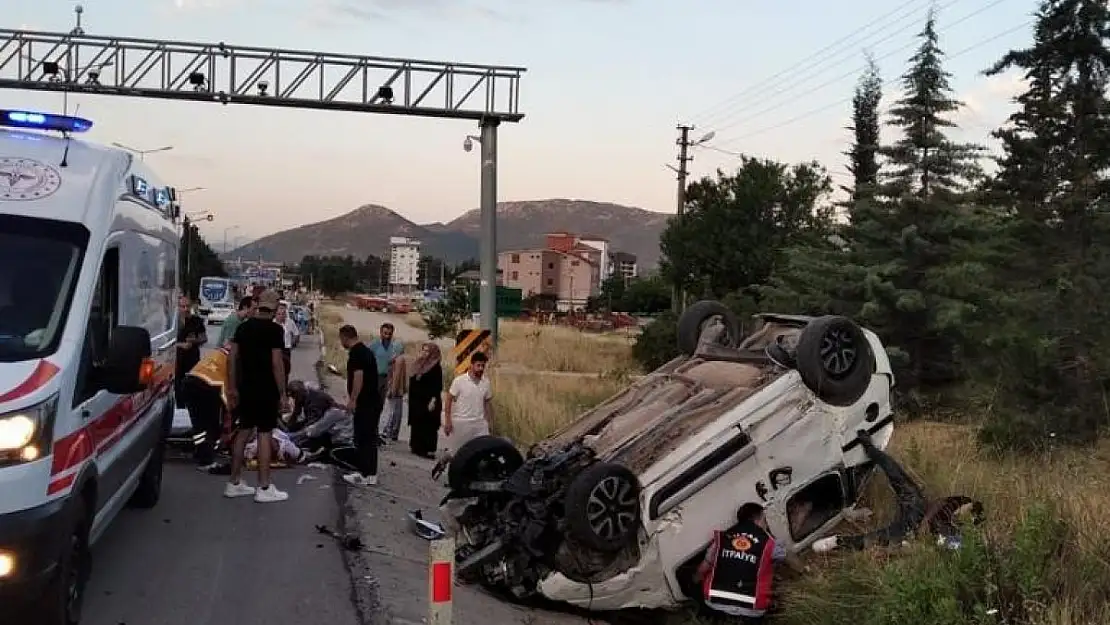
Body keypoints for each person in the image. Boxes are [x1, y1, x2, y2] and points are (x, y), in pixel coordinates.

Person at [811, 431, 984, 553]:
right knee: (896, 473)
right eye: (966, 510)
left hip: (913, 530)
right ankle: (870, 447)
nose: (962, 513)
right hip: (919, 508)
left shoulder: (960, 539)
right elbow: (940, 503)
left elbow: (935, 546)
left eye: (967, 516)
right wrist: (926, 521)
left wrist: (915, 542)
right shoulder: (962, 501)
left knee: (878, 538)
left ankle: (838, 542)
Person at [225, 289, 291, 503]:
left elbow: (231, 359)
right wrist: (282, 393)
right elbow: (276, 363)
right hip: (265, 390)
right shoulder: (275, 330)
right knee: (264, 434)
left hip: (245, 388)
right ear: (273, 309)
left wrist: (232, 387)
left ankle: (234, 482)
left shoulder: (243, 328)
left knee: (243, 432)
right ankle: (263, 487)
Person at [694, 502, 807, 622]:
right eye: (765, 520)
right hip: (752, 610)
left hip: (714, 605)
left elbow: (701, 571)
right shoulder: (768, 542)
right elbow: (789, 558)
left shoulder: (722, 539)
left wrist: (695, 587)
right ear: (760, 519)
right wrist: (804, 571)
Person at [434, 351, 493, 476]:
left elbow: (487, 403)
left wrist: (488, 422)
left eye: (483, 366)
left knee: (482, 450)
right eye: (478, 365)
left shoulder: (486, 383)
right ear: (471, 365)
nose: (481, 369)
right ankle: (445, 464)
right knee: (456, 453)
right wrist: (448, 421)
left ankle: (471, 477)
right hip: (461, 422)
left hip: (479, 424)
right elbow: (449, 399)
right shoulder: (459, 381)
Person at [339, 324, 382, 487]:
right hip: (372, 401)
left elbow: (358, 377)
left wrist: (353, 399)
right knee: (370, 438)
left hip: (365, 402)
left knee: (363, 438)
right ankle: (370, 473)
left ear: (345, 337)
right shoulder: (366, 351)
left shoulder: (356, 353)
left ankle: (364, 473)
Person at [181, 345, 230, 469]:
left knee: (199, 425)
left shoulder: (219, 352)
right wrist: (228, 411)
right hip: (208, 386)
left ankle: (200, 453)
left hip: (190, 382)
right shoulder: (235, 358)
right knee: (209, 425)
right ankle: (206, 459)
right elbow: (231, 386)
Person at [407, 342, 444, 459]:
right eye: (423, 350)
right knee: (417, 422)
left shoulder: (435, 367)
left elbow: (437, 386)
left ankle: (427, 449)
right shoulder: (418, 363)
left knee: (428, 424)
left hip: (429, 400)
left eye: (427, 351)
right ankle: (416, 446)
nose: (425, 353)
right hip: (417, 400)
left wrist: (433, 400)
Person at [369, 323, 404, 442]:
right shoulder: (374, 345)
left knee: (380, 406)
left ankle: (375, 432)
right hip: (374, 377)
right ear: (381, 332)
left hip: (387, 378)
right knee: (371, 405)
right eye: (385, 333)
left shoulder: (395, 347)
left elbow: (397, 363)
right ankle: (369, 431)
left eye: (389, 334)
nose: (387, 336)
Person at [175, 295, 207, 405]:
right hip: (176, 362)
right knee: (177, 387)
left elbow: (204, 338)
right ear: (177, 307)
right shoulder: (172, 323)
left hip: (192, 360)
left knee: (191, 387)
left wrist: (195, 340)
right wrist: (180, 345)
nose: (185, 309)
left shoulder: (196, 321)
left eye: (187, 306)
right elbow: (164, 343)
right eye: (182, 306)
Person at [380, 352, 408, 442]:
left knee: (393, 411)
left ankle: (389, 431)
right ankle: (393, 432)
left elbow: (396, 377)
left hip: (395, 390)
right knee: (396, 411)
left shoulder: (397, 360)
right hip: (399, 390)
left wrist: (392, 390)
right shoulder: (401, 359)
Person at [275, 302, 300, 387]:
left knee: (285, 371)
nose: (281, 316)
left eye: (283, 313)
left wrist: (293, 343)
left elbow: (296, 334)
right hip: (276, 350)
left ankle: (284, 388)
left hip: (286, 350)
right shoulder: (272, 323)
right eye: (279, 314)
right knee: (276, 370)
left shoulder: (290, 322)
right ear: (276, 314)